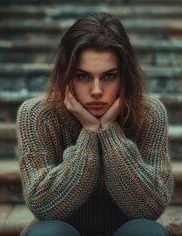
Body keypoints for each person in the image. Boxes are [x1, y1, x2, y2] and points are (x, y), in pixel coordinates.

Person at [16, 12, 173, 236]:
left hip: (127, 231)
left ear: (124, 77)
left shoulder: (148, 114)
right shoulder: (38, 116)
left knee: (147, 232)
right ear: (66, 75)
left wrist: (110, 133)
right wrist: (89, 133)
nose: (97, 90)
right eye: (83, 76)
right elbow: (44, 205)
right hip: (61, 231)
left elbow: (151, 207)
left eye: (109, 76)